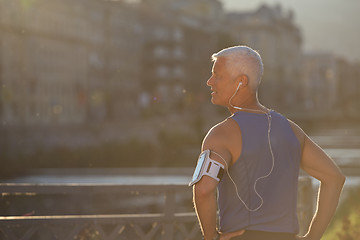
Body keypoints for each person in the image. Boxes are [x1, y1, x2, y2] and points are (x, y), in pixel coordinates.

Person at [191, 46, 345, 240]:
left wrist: (211, 236)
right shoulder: (292, 130)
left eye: (217, 76)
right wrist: (312, 237)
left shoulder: (221, 135)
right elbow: (334, 178)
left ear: (241, 82)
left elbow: (204, 190)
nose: (209, 82)